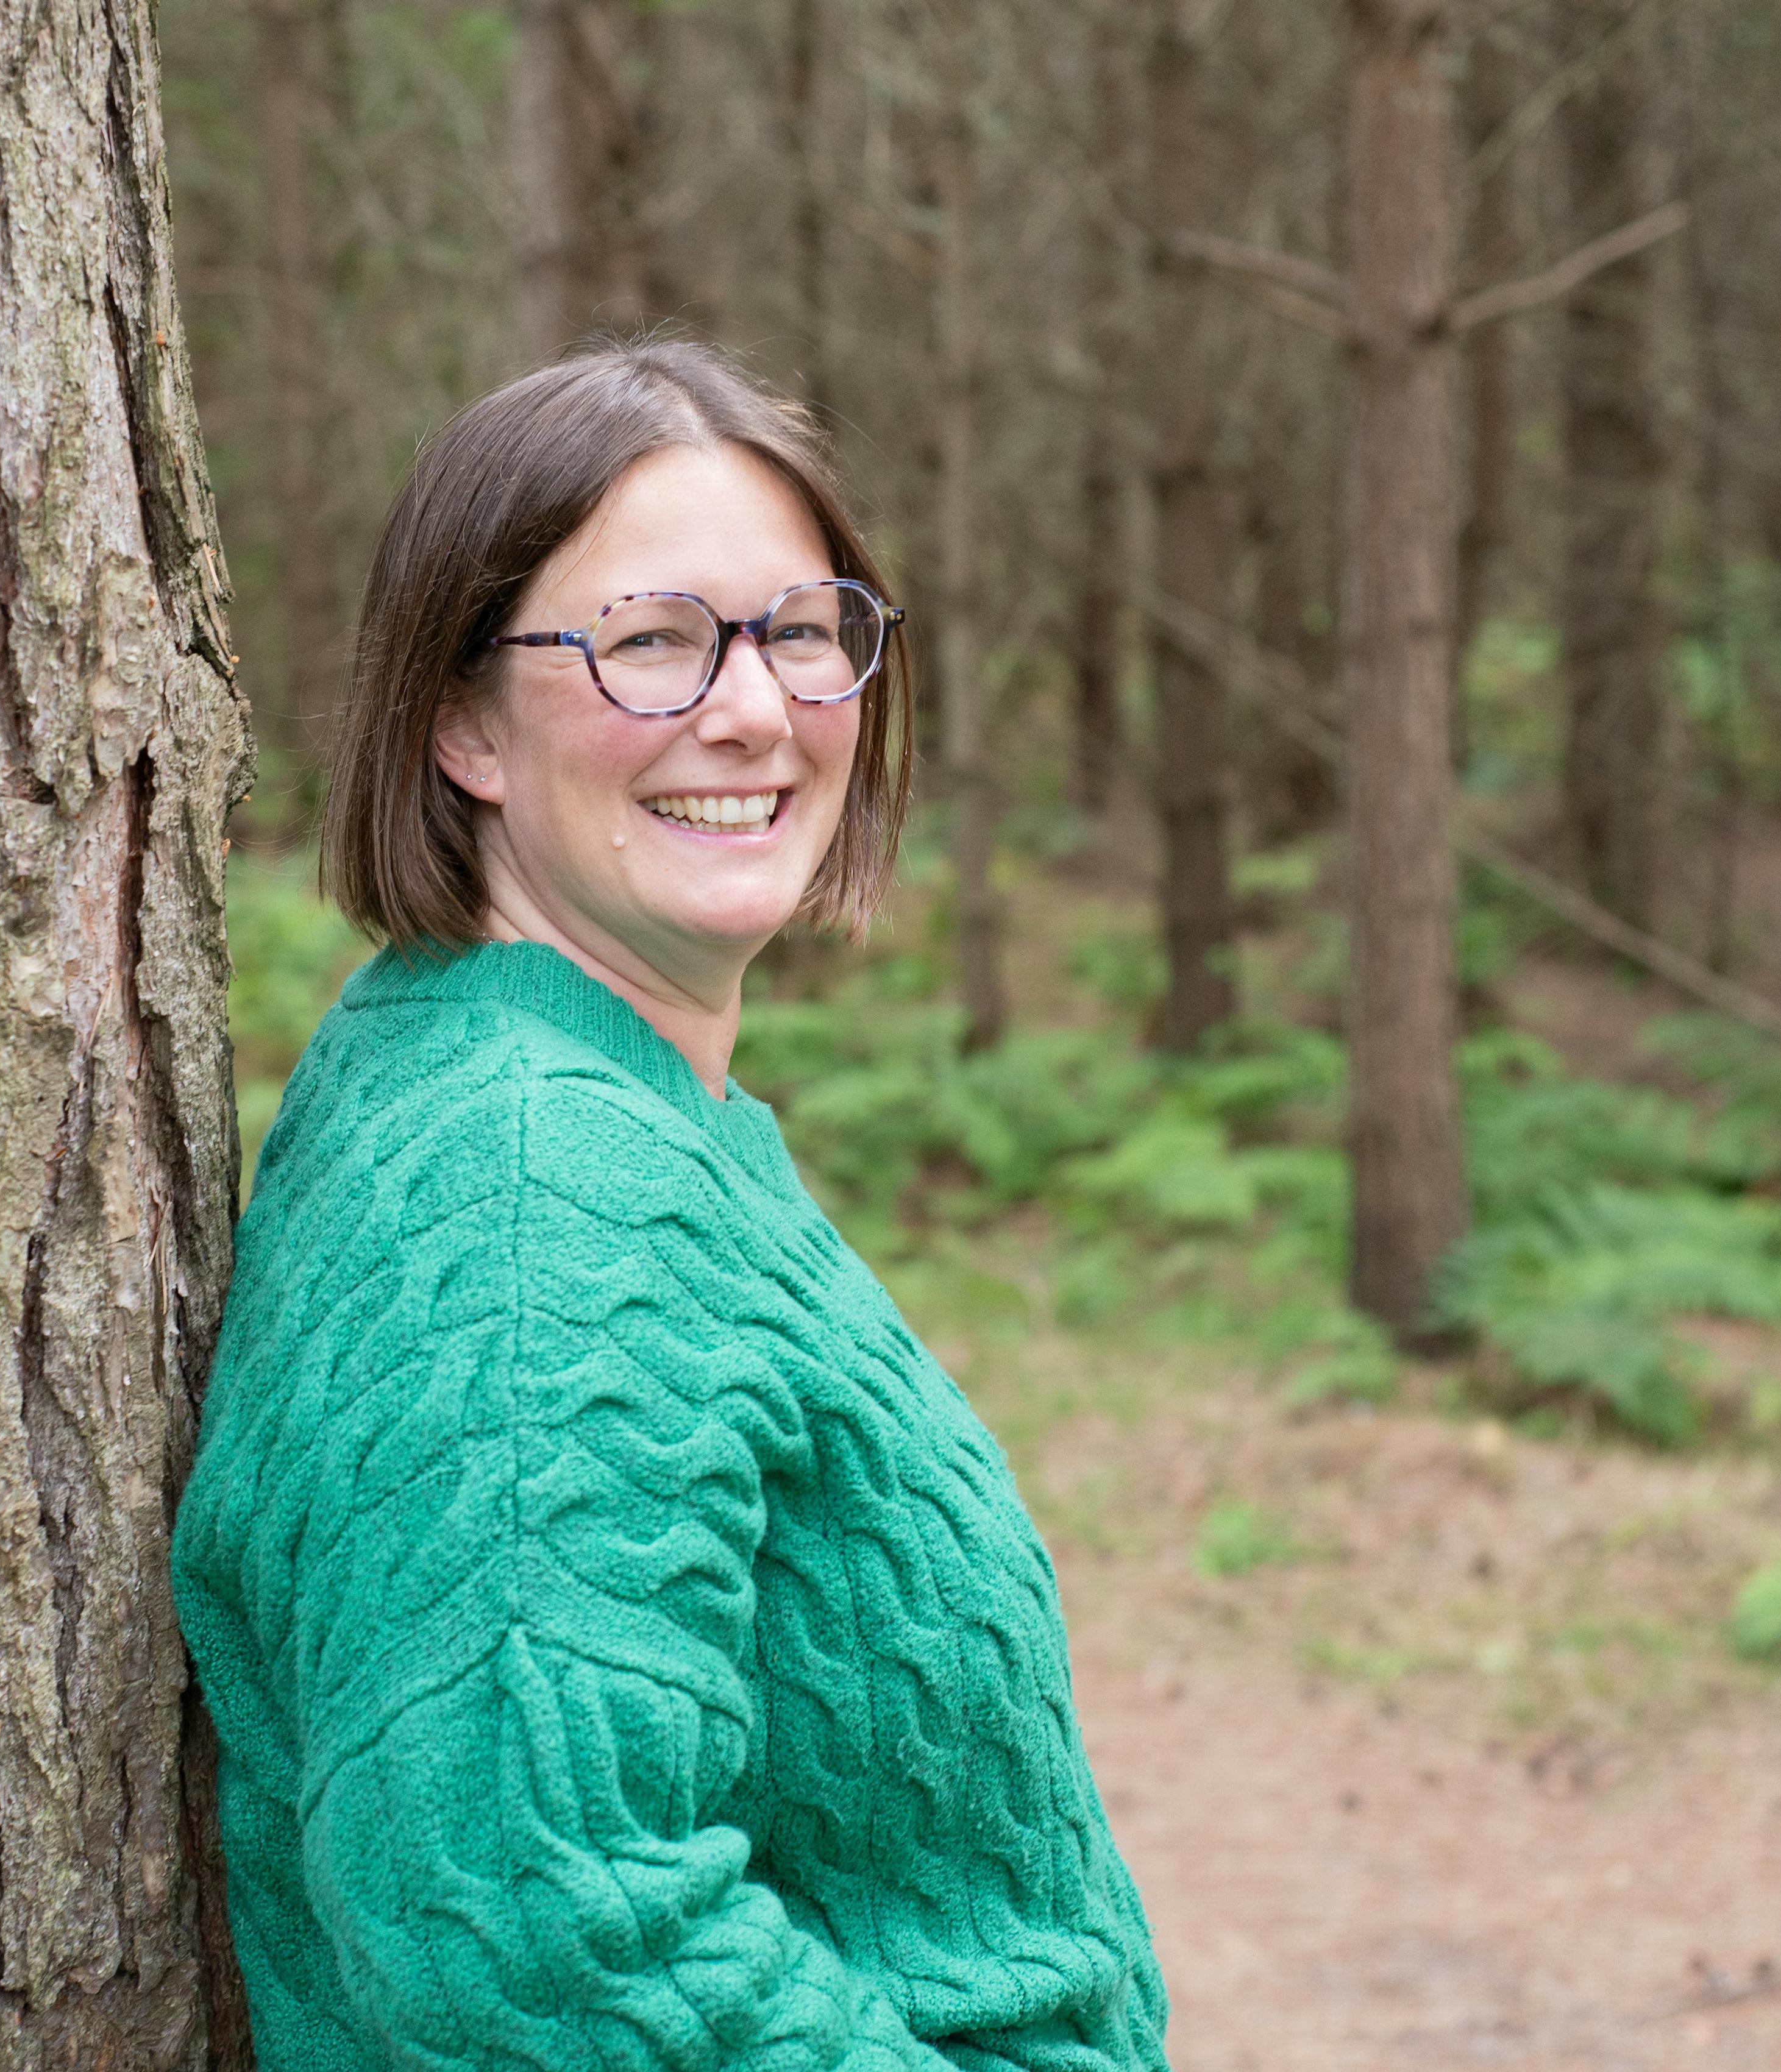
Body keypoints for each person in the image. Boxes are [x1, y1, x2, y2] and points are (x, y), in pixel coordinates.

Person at [172, 340, 1169, 2071]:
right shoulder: (534, 1191)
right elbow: (541, 1940)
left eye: (801, 629)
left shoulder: (558, 1090)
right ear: (461, 724)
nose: (755, 707)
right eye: (650, 641)